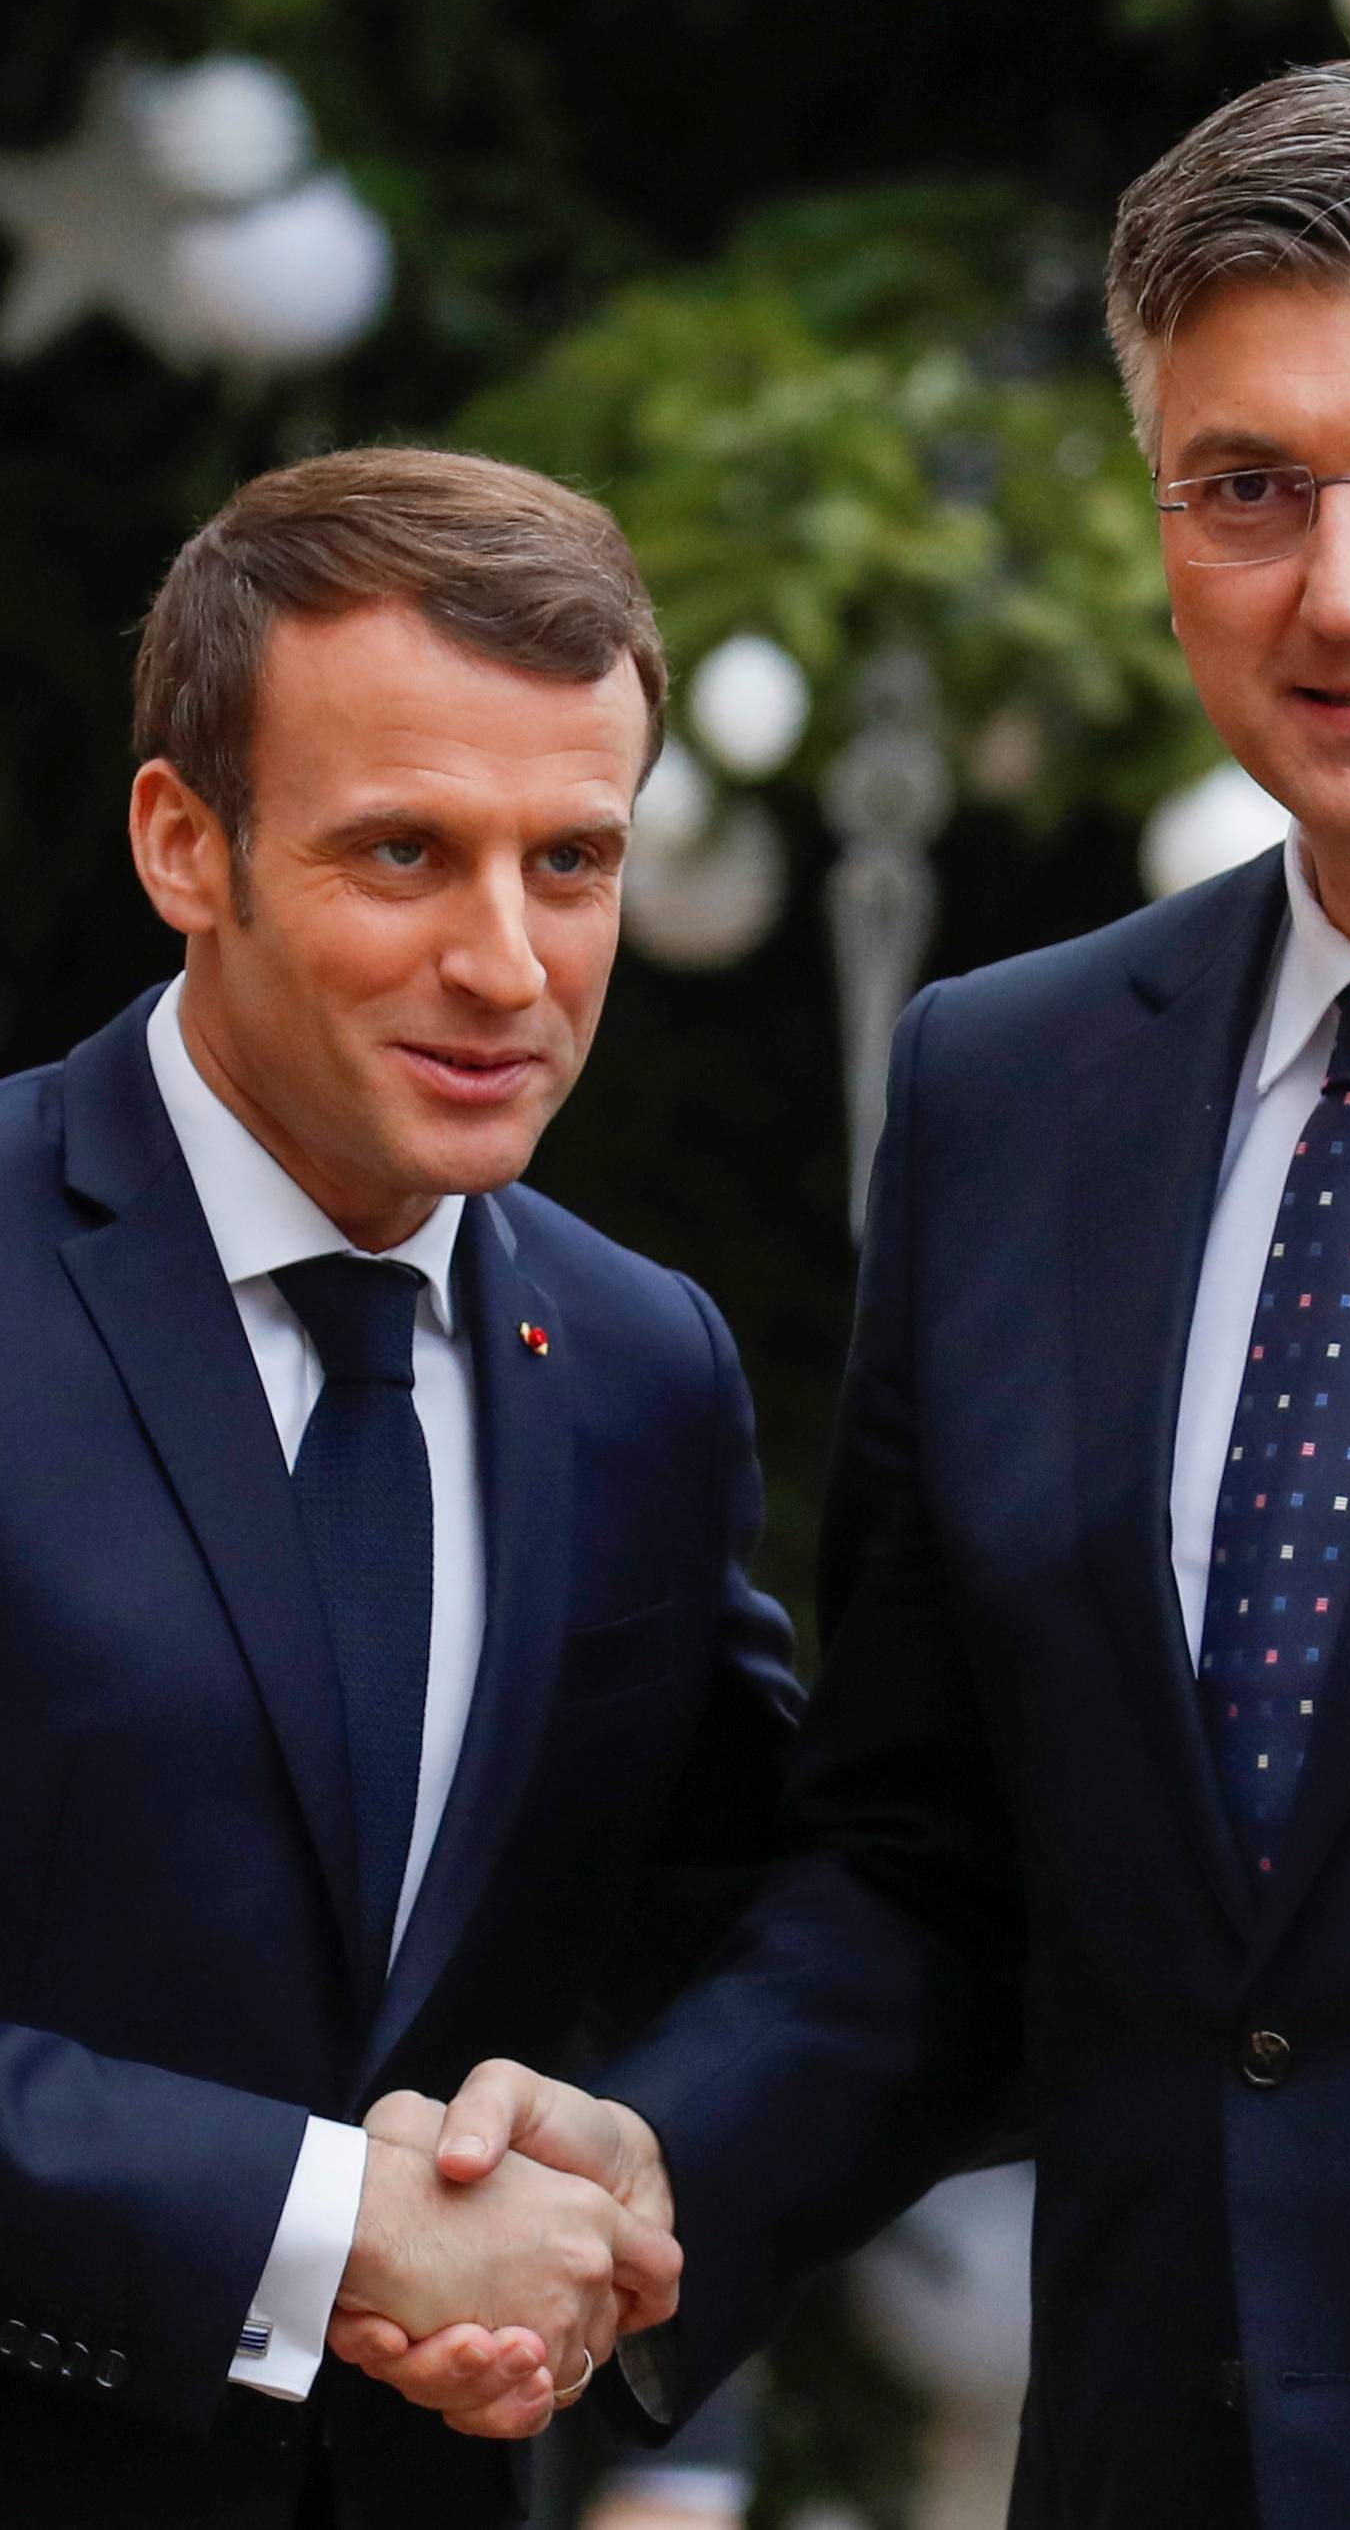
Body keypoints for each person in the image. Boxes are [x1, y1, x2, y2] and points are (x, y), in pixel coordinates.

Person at [347, 54, 1350, 2527]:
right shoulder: (1018, 1083)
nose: (1347, 582)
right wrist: (652, 2171)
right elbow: (935, 1861)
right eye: (1247, 488)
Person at [0, 446, 798, 2530]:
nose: (510, 965)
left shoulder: (643, 1371)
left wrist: (643, 2245)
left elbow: (746, 1935)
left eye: (573, 861)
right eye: (404, 854)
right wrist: (318, 2225)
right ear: (188, 842)